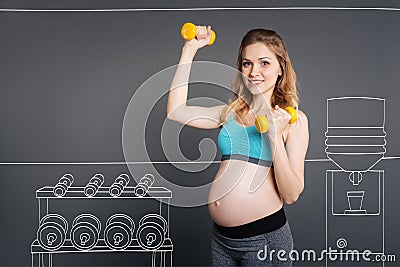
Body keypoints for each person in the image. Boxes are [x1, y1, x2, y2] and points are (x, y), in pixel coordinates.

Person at [167, 26, 309, 266]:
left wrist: (274, 136)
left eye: (264, 63)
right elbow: (176, 111)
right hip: (222, 239)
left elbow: (292, 194)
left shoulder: (292, 119)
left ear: (280, 68)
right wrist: (189, 50)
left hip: (263, 240)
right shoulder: (229, 112)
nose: (254, 71)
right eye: (247, 63)